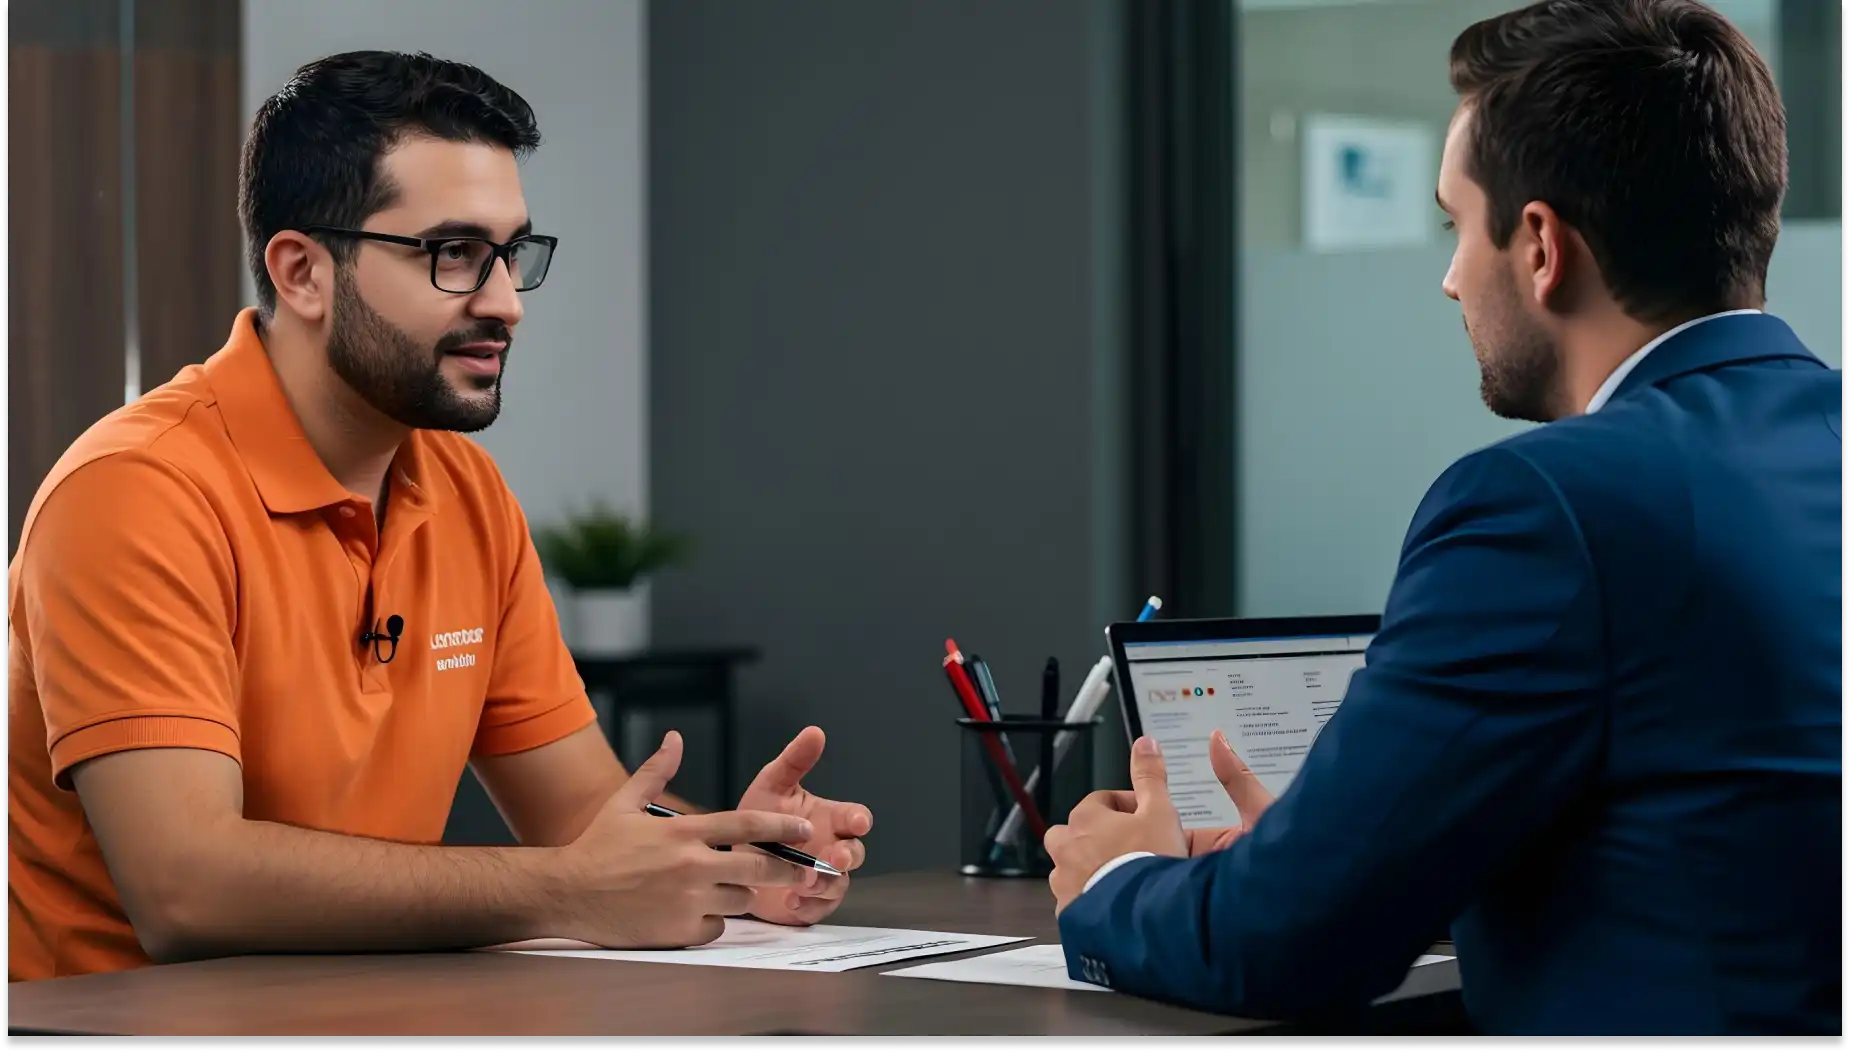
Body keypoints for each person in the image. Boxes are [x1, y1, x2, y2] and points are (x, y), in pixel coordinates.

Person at [1044, 0, 1838, 1036]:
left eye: (1455, 223)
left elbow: (1276, 946)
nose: (1450, 275)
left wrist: (1120, 878)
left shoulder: (1547, 509)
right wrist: (1341, 851)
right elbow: (1708, 834)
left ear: (1541, 245)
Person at [5, 51, 871, 982]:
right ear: (302, 272)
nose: (504, 303)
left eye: (510, 255)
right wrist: (563, 890)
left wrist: (742, 863)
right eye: (452, 254)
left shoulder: (468, 494)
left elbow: (582, 815)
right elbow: (184, 889)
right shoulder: (136, 490)